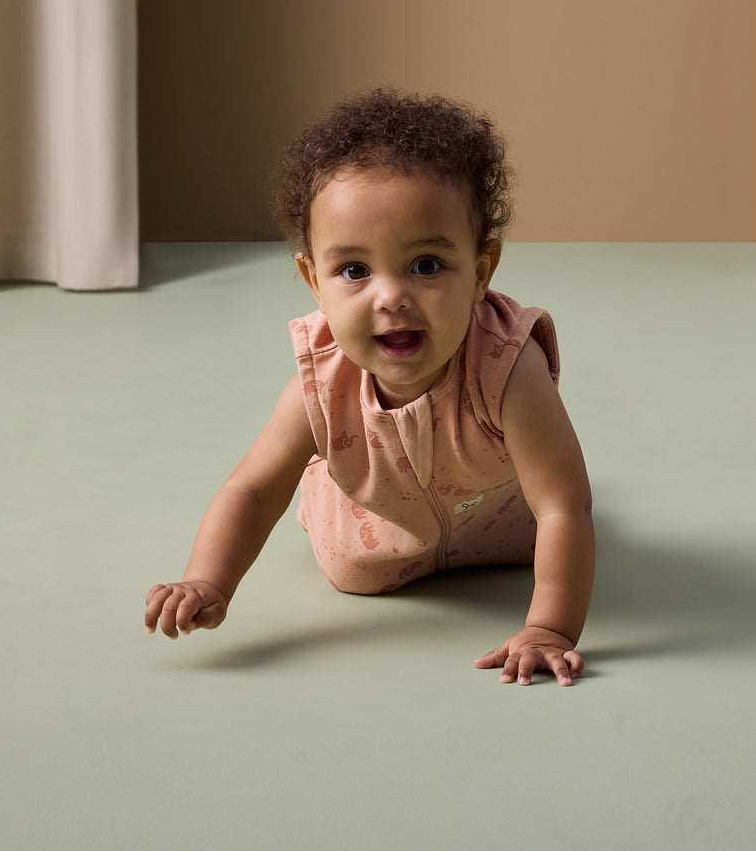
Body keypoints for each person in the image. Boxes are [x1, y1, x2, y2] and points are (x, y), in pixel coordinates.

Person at [144, 89, 595, 687]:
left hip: (502, 530)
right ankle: (326, 474)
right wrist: (207, 579)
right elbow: (252, 490)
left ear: (481, 270)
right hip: (371, 547)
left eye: (427, 264)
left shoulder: (509, 367)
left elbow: (563, 504)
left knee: (549, 506)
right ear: (313, 280)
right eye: (354, 270)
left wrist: (549, 628)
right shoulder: (323, 387)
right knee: (303, 476)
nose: (391, 296)